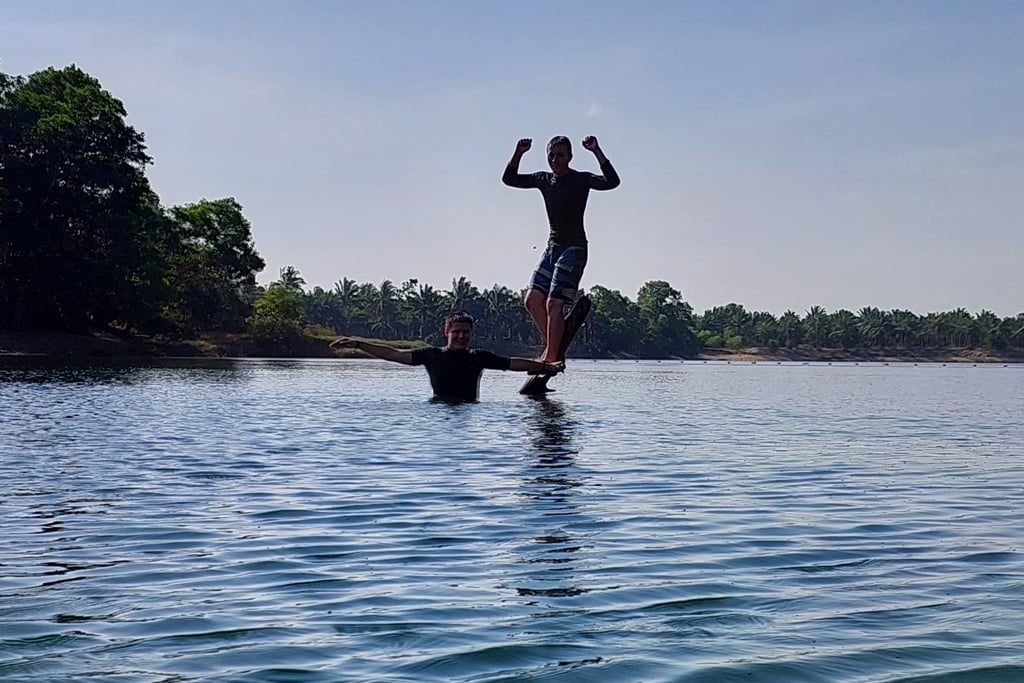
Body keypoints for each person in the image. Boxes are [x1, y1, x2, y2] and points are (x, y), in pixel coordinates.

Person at [502, 134, 620, 362]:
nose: (555, 160)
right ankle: (554, 346)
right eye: (552, 156)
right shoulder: (544, 179)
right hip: (552, 248)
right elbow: (509, 179)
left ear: (570, 157)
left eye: (561, 156)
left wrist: (596, 151)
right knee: (532, 300)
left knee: (553, 303)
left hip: (574, 249)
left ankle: (552, 358)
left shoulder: (581, 179)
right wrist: (519, 152)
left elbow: (612, 182)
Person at [329, 311, 564, 401]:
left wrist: (545, 366)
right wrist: (359, 343)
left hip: (471, 409)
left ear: (471, 334)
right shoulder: (431, 355)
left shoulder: (478, 356)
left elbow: (512, 363)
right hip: (438, 410)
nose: (461, 336)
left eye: (466, 332)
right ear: (447, 333)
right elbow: (393, 354)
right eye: (456, 332)